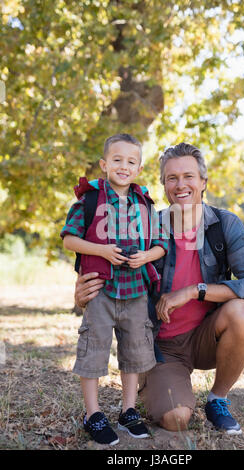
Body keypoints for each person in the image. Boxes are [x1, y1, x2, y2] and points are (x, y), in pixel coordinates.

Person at [74, 142, 244, 436]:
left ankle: (218, 398)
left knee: (243, 312)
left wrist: (195, 290)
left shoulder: (224, 224)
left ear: (203, 182)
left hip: (207, 334)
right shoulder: (146, 223)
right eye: (172, 178)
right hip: (161, 347)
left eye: (189, 176)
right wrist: (81, 296)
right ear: (163, 184)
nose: (181, 185)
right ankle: (160, 385)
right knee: (176, 418)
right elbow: (111, 265)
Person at [61, 133, 168, 445]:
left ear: (138, 168)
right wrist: (101, 251)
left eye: (131, 161)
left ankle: (128, 410)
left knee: (134, 349)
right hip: (101, 290)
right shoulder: (90, 200)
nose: (124, 166)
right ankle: (93, 413)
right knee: (93, 347)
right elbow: (69, 239)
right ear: (104, 164)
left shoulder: (146, 204)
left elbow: (161, 245)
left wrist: (148, 255)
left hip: (136, 291)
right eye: (117, 160)